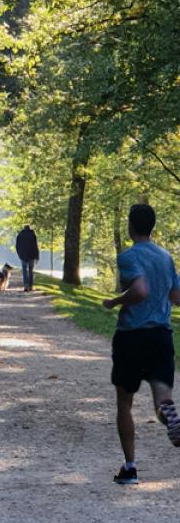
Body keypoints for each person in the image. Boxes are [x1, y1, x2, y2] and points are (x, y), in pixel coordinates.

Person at [103, 203, 180, 485]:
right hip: (161, 336)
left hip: (132, 337)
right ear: (153, 226)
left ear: (130, 226)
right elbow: (177, 296)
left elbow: (139, 289)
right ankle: (171, 418)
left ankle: (131, 468)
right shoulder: (166, 257)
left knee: (125, 404)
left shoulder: (128, 256)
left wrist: (115, 301)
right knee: (163, 401)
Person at [15, 224, 39, 291]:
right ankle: (30, 286)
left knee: (24, 271)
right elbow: (35, 246)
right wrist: (37, 256)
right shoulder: (32, 235)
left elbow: (17, 246)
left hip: (23, 256)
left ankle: (26, 286)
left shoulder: (20, 235)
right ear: (29, 228)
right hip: (32, 256)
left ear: (23, 228)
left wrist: (19, 254)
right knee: (31, 271)